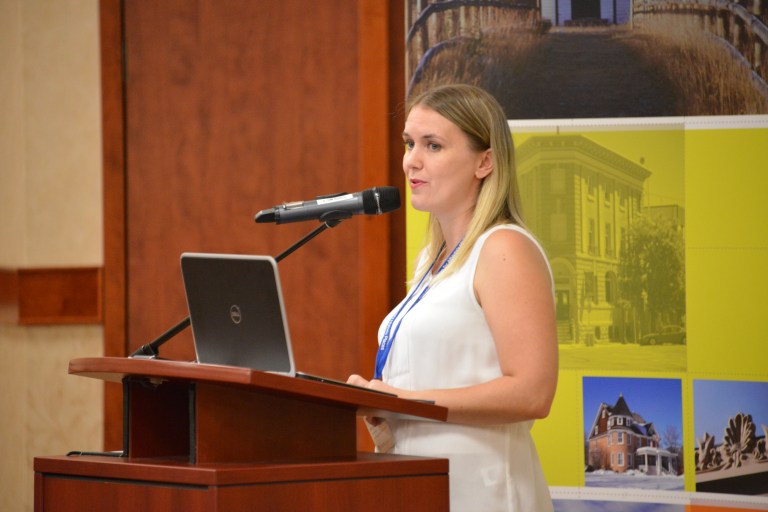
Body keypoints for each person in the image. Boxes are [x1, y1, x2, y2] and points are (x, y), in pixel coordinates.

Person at [347, 84, 558, 511]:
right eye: (409, 143)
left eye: (433, 145)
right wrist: (382, 406)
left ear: (485, 161)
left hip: (484, 494)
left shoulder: (503, 248)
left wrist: (400, 402)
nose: (411, 160)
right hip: (424, 487)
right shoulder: (432, 259)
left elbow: (533, 393)